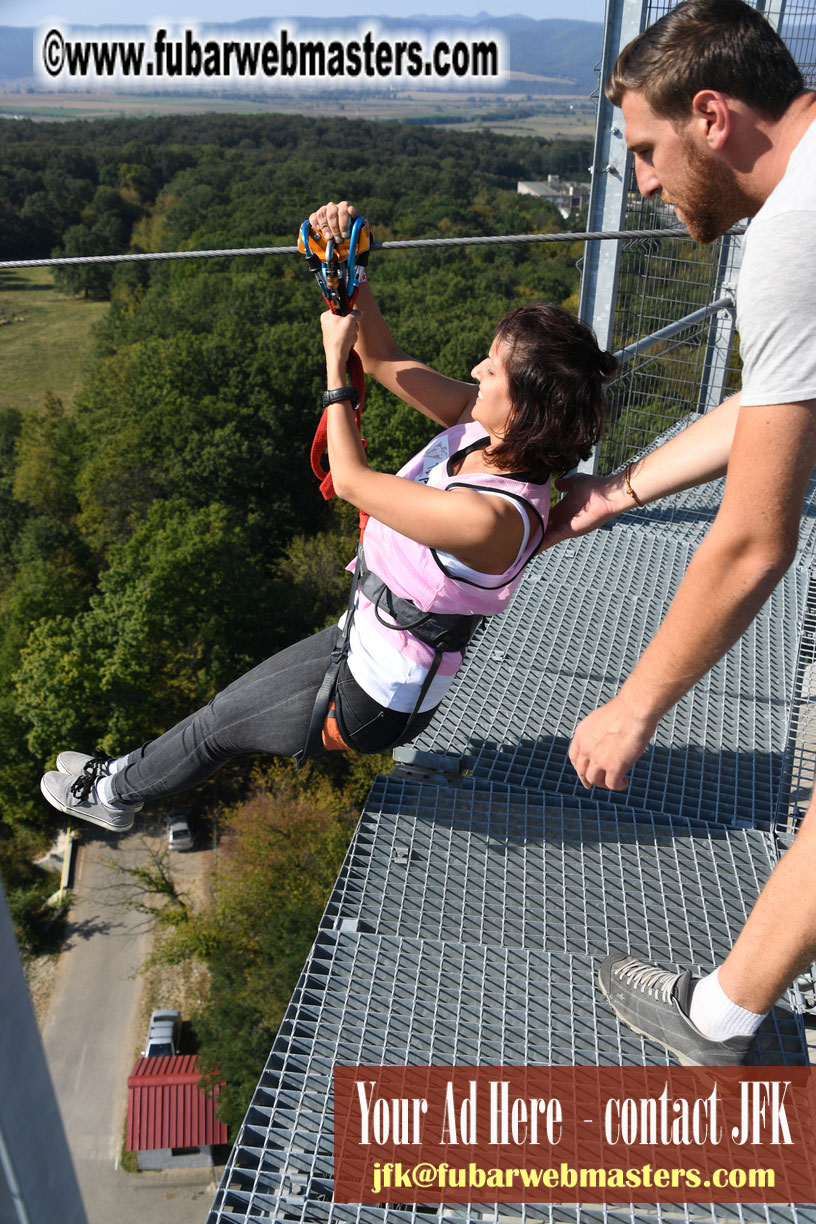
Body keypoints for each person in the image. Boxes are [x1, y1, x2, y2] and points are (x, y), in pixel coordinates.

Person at [40, 199, 615, 835]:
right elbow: (385, 359)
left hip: (375, 695)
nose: (476, 370)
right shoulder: (483, 432)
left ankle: (113, 794)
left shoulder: (492, 519)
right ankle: (119, 778)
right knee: (219, 712)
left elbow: (350, 481)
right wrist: (351, 273)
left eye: (492, 369)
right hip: (364, 639)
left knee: (215, 730)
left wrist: (331, 372)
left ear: (526, 411)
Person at [541, 0, 816, 1065]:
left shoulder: (791, 238)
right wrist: (624, 492)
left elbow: (755, 543)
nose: (643, 185)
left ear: (712, 114)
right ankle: (726, 1013)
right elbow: (774, 402)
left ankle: (718, 1022)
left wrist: (633, 704)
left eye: (647, 152)